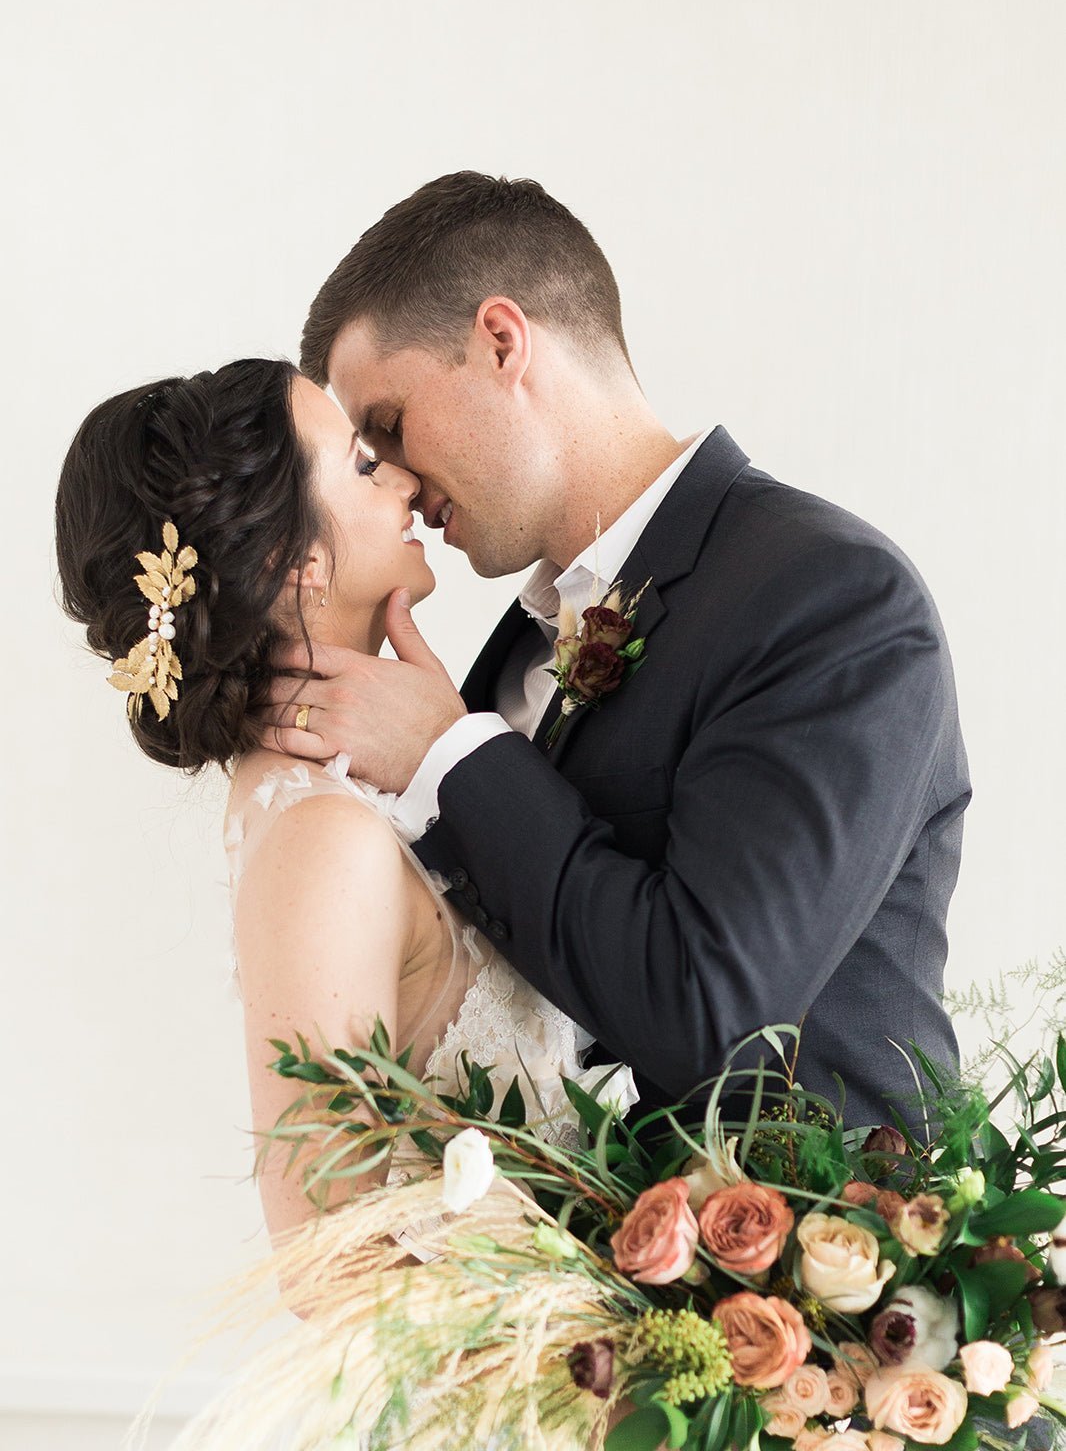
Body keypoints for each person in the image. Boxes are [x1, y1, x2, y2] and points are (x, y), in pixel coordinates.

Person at [264, 169, 971, 1128]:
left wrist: (451, 757)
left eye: (387, 426)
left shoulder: (831, 597)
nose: (392, 479)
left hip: (820, 1253)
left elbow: (710, 1013)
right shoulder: (517, 644)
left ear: (502, 342)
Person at [54, 357, 635, 1258]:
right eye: (364, 465)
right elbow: (328, 1261)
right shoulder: (325, 835)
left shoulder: (356, 794)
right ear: (301, 564)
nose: (405, 475)